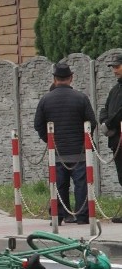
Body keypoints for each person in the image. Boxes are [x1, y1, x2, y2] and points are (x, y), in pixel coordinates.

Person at [34, 63, 97, 225]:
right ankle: (83, 217)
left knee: (59, 183)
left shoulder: (45, 100)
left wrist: (49, 141)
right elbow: (92, 122)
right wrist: (83, 139)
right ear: (71, 78)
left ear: (54, 79)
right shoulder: (81, 98)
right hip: (79, 151)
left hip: (56, 151)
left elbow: (38, 124)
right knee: (81, 184)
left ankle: (59, 215)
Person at [99, 54, 122, 223]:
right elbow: (105, 109)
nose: (115, 71)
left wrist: (109, 123)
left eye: (117, 67)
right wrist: (104, 122)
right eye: (113, 67)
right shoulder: (115, 90)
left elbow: (119, 112)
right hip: (116, 141)